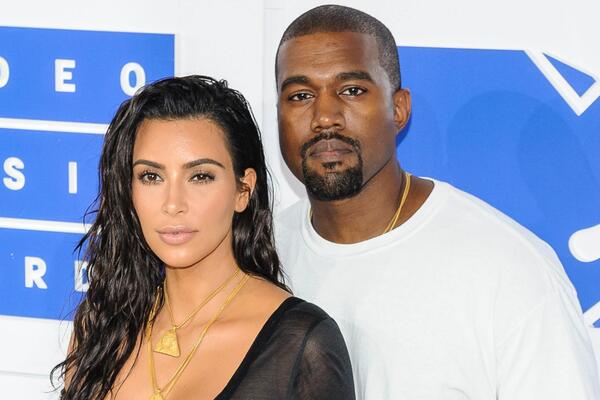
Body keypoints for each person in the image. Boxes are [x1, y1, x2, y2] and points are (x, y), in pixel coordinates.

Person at [274, 4, 600, 400]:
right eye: (301, 95)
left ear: (398, 109)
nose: (325, 116)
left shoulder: (508, 267)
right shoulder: (258, 254)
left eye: (352, 90)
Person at [52, 76, 355, 400]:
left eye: (200, 176)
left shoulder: (302, 343)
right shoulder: (100, 328)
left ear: (243, 190)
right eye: (151, 176)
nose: (173, 204)